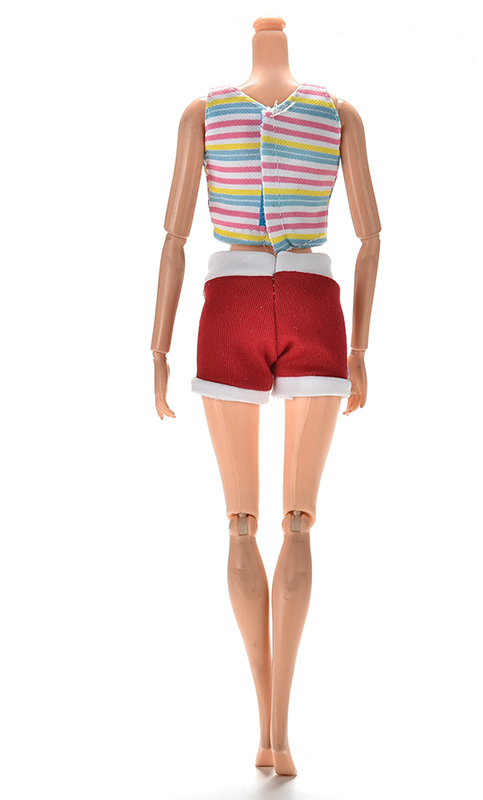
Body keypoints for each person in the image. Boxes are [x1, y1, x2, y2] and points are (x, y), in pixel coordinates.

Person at [150, 15, 381, 777]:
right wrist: (359, 349)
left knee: (245, 524)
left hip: (236, 301)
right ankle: (276, 733)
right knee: (293, 525)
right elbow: (371, 239)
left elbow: (174, 239)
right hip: (311, 301)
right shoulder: (331, 113)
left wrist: (159, 350)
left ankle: (270, 733)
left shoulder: (210, 113)